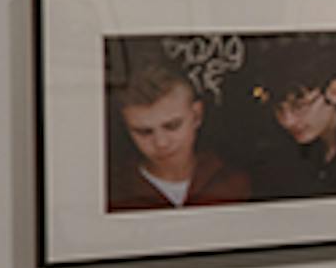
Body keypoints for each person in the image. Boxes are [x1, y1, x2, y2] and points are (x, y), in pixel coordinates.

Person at [108, 60, 254, 210]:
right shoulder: (112, 191)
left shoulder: (234, 182)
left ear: (196, 115)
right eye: (144, 132)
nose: (161, 143)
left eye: (172, 126)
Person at [249, 49, 336, 199]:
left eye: (299, 106)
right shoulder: (281, 156)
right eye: (279, 109)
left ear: (334, 92)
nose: (287, 121)